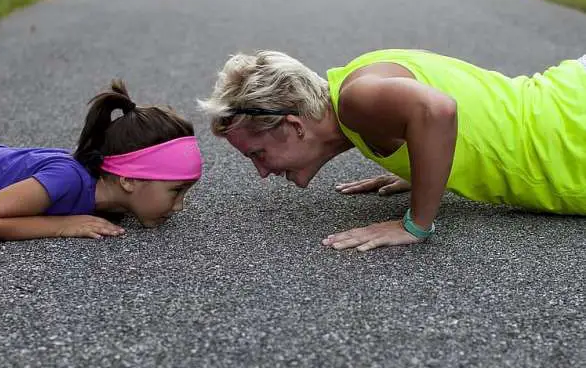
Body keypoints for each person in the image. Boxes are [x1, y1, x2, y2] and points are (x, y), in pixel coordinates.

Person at [198, 48, 586, 251]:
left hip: (572, 131)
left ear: (294, 126)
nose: (262, 172)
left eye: (257, 154)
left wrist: (414, 224)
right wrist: (424, 164)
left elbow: (438, 110)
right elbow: (453, 109)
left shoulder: (356, 99)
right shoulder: (356, 88)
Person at [0, 80, 202, 240]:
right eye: (175, 191)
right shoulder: (67, 179)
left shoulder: (102, 199)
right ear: (129, 179)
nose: (179, 206)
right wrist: (61, 226)